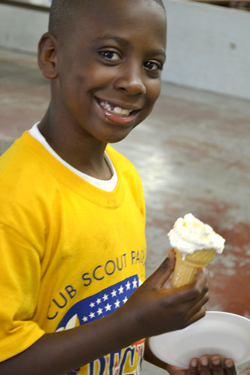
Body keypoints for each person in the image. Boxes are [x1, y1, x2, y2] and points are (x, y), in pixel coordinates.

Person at [0, 0, 237, 374]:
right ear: (51, 56)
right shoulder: (13, 199)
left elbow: (102, 312)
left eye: (152, 65)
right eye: (109, 54)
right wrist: (136, 321)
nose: (134, 82)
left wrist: (165, 354)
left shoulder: (124, 176)